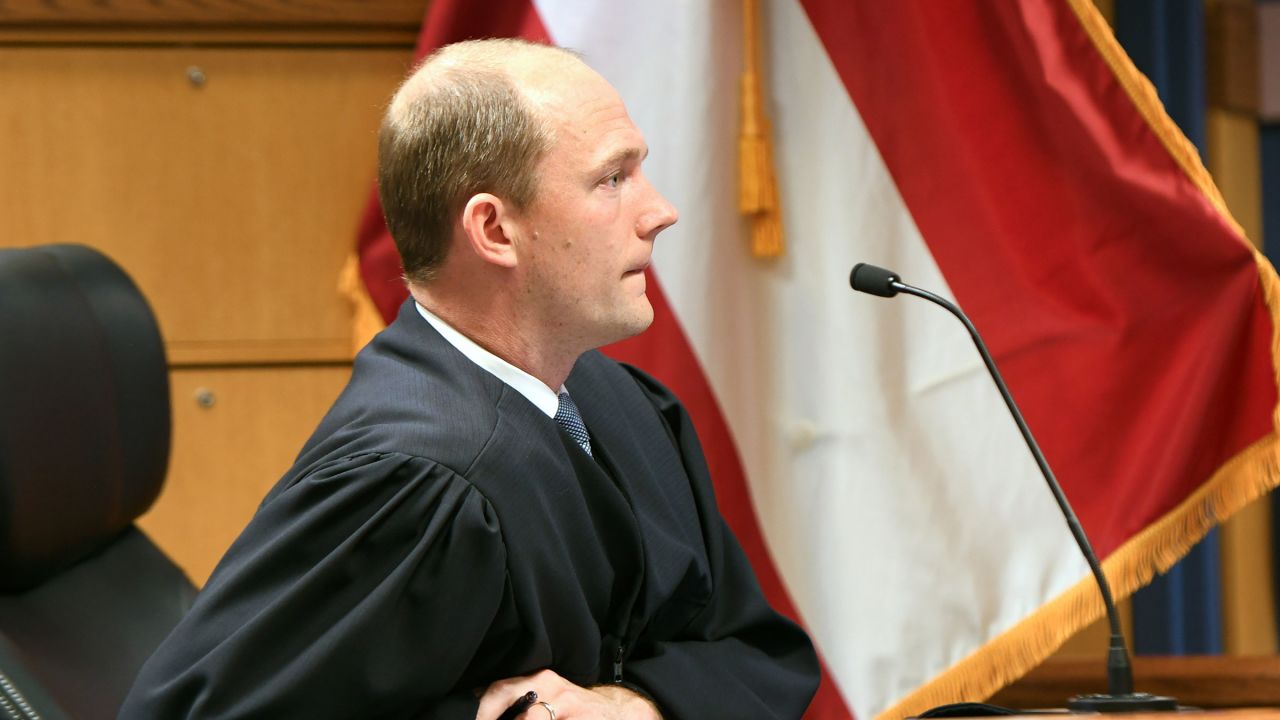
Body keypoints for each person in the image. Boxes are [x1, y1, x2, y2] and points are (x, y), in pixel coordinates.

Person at [120, 38, 820, 719]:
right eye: (613, 179)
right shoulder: (415, 484)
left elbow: (757, 649)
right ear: (494, 230)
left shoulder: (623, 406)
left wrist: (637, 704)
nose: (660, 211)